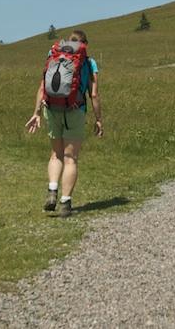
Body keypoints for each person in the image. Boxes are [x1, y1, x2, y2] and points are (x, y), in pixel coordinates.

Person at [25, 29, 103, 218]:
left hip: (51, 109)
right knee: (71, 158)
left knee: (56, 154)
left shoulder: (54, 55)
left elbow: (42, 86)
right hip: (75, 110)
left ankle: (52, 191)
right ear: (85, 45)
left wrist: (36, 113)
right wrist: (99, 119)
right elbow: (93, 94)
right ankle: (65, 203)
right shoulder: (89, 62)